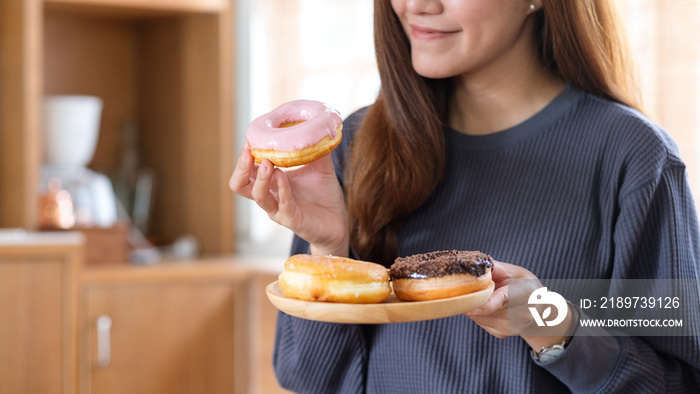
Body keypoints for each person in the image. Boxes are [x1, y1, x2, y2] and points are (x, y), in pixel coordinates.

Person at [231, 0, 700, 392]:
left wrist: (548, 322)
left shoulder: (631, 158)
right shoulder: (355, 145)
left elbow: (678, 380)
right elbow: (308, 379)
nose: (417, 5)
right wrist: (331, 251)